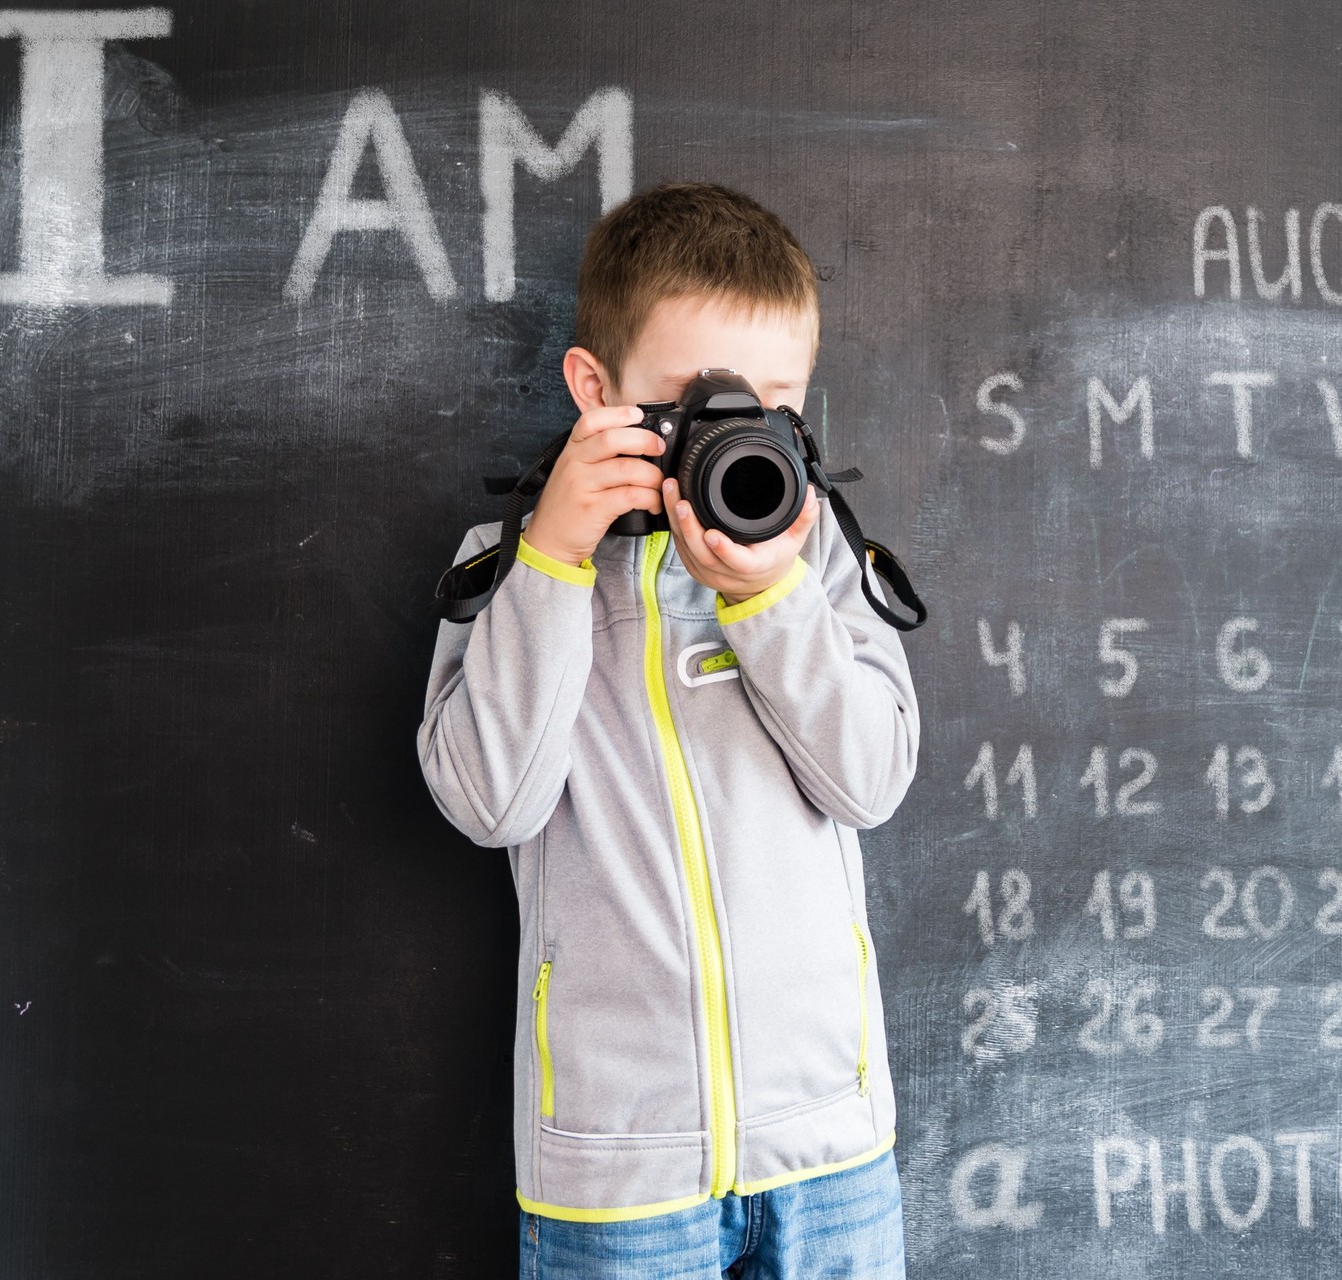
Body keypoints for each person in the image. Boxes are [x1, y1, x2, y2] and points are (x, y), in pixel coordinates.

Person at [416, 180, 919, 1278]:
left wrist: (767, 596)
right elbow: (489, 801)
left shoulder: (815, 548)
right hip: (614, 1162)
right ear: (596, 389)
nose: (733, 433)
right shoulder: (507, 567)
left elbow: (873, 781)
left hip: (827, 1139)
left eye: (771, 404)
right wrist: (550, 557)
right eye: (697, 400)